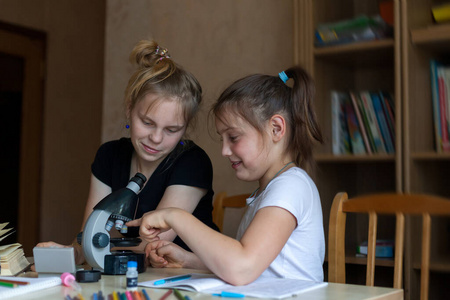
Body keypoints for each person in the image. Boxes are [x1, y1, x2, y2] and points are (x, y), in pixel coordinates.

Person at [127, 66, 325, 285]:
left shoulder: (291, 186)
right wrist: (189, 260)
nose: (224, 151)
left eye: (234, 137)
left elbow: (242, 269)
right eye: (223, 139)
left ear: (276, 129)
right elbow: (259, 268)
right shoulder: (269, 190)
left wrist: (174, 216)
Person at [36, 39, 218, 264]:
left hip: (185, 276)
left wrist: (88, 246)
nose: (156, 138)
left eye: (172, 130)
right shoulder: (109, 156)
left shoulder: (193, 162)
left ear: (185, 128)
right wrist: (73, 253)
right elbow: (91, 232)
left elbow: (154, 243)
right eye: (147, 123)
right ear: (130, 109)